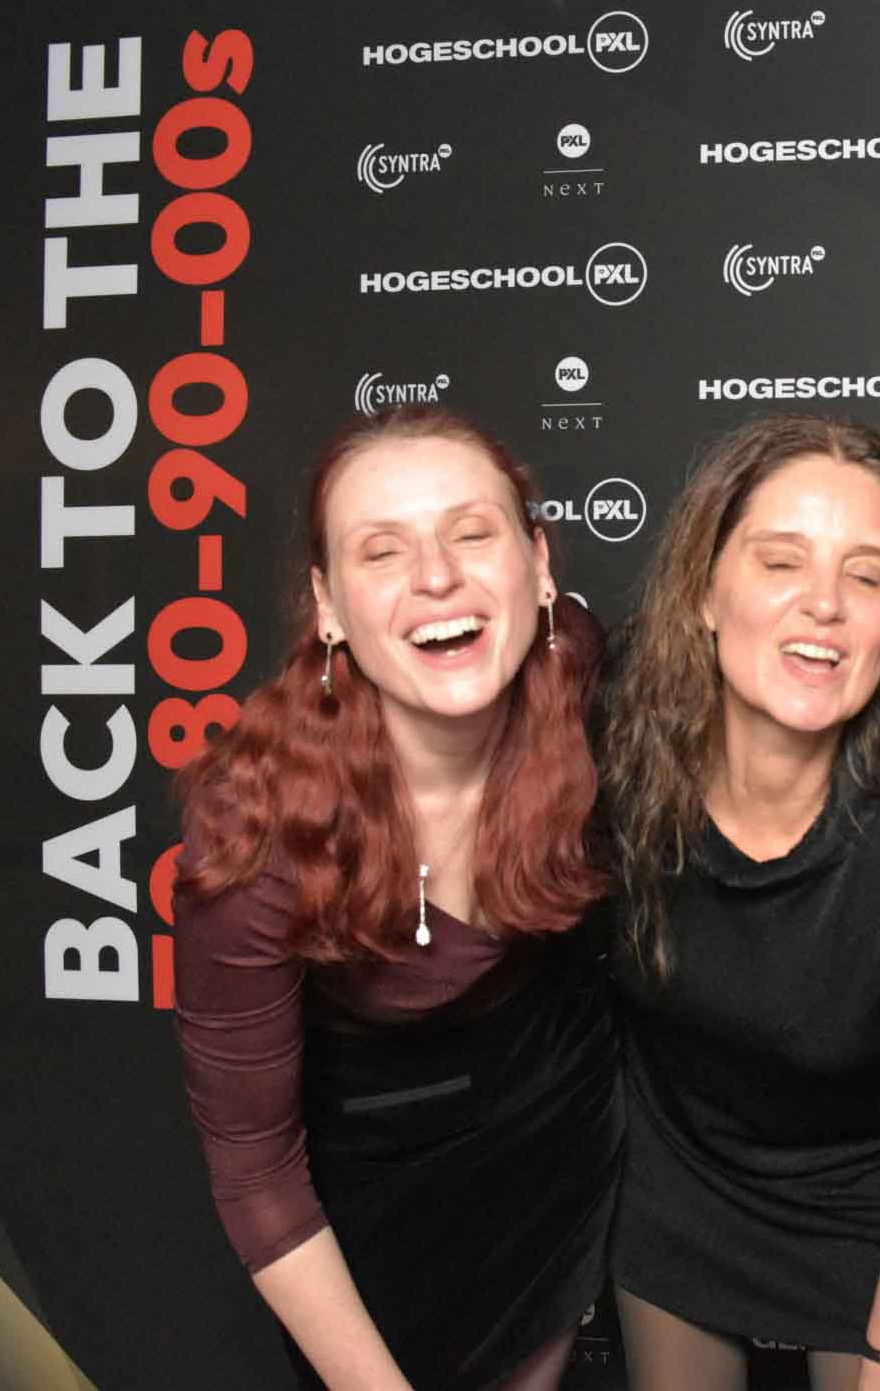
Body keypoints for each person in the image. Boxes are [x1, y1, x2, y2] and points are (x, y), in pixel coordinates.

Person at [172, 407, 623, 1391]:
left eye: (472, 533)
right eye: (383, 551)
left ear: (539, 565)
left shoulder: (579, 680)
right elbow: (255, 1173)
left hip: (554, 1136)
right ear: (328, 606)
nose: (436, 577)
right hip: (369, 1200)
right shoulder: (258, 832)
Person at [597, 412, 880, 1391]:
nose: (825, 605)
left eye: (866, 576)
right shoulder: (617, 749)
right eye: (780, 562)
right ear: (704, 590)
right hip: (680, 1187)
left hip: (870, 1213)